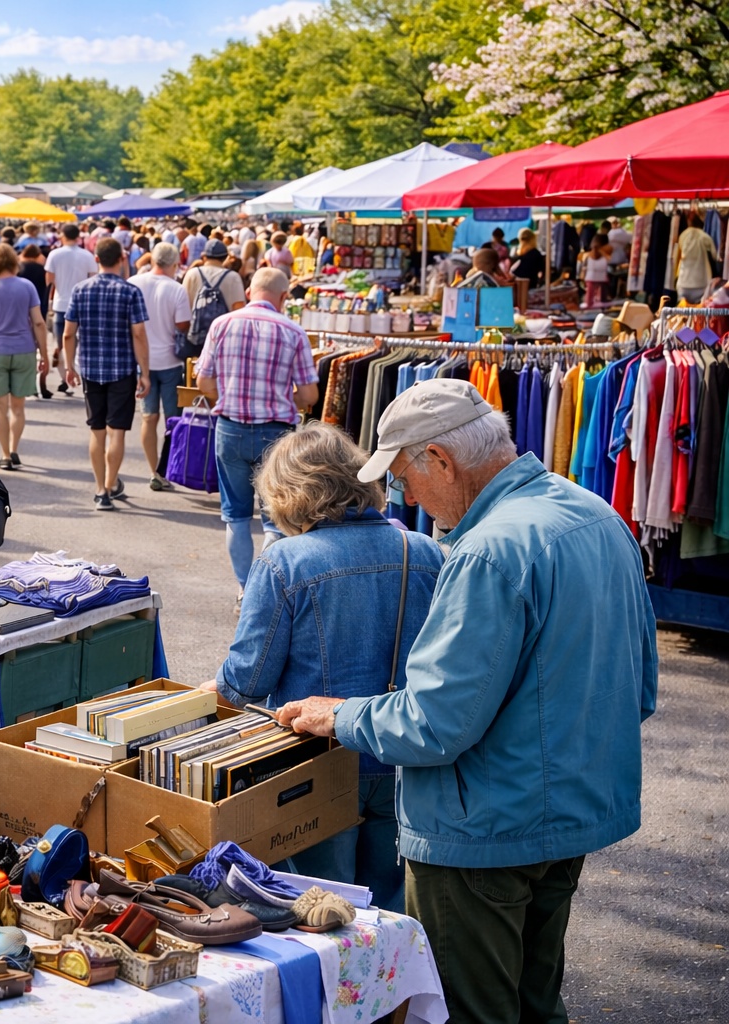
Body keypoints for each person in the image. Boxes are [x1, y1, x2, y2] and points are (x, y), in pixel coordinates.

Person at [278, 379, 656, 1024]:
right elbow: (639, 685)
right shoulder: (594, 513)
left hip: (484, 831)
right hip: (572, 810)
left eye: (404, 478)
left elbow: (433, 723)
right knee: (538, 999)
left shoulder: (488, 550)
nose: (407, 497)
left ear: (442, 461)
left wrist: (338, 716)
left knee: (473, 1010)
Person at [201, 423, 442, 911]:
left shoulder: (284, 562)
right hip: (405, 758)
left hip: (316, 763)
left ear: (289, 492)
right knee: (389, 913)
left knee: (318, 909)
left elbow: (248, 680)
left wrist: (198, 698)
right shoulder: (425, 551)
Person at [194, 267, 318, 609]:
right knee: (275, 517)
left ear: (250, 291)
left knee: (235, 515)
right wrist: (282, 398)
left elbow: (204, 383)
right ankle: (266, 590)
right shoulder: (293, 331)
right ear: (282, 297)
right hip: (275, 433)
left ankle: (245, 588)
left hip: (230, 428)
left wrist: (230, 393)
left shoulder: (221, 324)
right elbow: (309, 394)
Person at [63, 238, 150, 512]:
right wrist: (144, 372)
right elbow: (138, 333)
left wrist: (69, 366)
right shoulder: (131, 292)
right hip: (122, 369)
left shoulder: (80, 290)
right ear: (122, 259)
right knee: (118, 433)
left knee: (96, 431)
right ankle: (110, 486)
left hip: (90, 368)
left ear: (96, 259)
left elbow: (68, 333)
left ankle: (99, 487)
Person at [0, 244, 50, 471]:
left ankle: (5, 454)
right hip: (24, 349)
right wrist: (44, 354)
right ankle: (15, 449)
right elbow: (38, 322)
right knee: (18, 407)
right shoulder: (26, 286)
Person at [131, 243, 192, 491]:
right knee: (173, 419)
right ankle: (167, 469)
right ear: (175, 263)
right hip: (170, 360)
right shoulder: (176, 289)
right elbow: (183, 325)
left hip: (140, 361)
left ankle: (154, 469)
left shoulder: (134, 282)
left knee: (148, 418)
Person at [45, 224, 97, 396]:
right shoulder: (87, 255)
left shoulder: (54, 254)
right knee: (83, 343)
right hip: (84, 305)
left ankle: (65, 376)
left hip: (61, 304)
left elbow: (49, 281)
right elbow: (92, 279)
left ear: (62, 236)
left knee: (61, 343)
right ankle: (83, 374)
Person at [675, 212, 717, 303]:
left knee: (681, 314)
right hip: (701, 283)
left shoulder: (683, 235)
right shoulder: (705, 237)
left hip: (683, 282)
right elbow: (714, 255)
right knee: (699, 315)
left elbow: (678, 256)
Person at [581, 237, 612, 308]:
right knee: (599, 298)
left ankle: (591, 308)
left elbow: (583, 269)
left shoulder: (588, 256)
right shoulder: (604, 257)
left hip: (594, 278)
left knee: (591, 297)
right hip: (599, 278)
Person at [607, 218, 633, 297]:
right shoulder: (622, 233)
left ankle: (612, 294)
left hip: (611, 259)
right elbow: (630, 238)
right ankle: (617, 294)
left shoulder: (609, 233)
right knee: (617, 277)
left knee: (612, 277)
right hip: (620, 258)